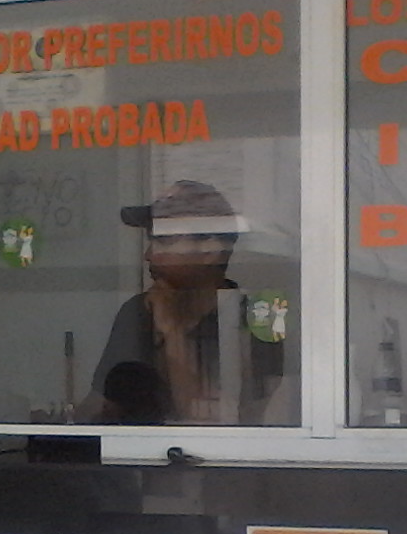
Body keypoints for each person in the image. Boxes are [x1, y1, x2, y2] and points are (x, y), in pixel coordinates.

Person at [89, 180, 283, 424]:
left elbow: (214, 423)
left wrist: (173, 332)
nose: (148, 255)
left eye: (163, 240)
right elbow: (99, 410)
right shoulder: (139, 310)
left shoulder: (260, 317)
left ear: (210, 250)